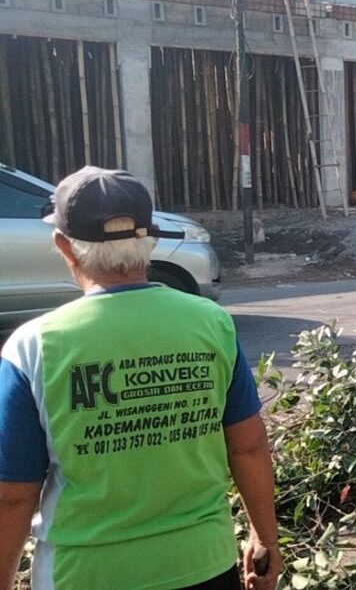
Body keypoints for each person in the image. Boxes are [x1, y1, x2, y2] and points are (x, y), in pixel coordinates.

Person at [0, 167, 281, 590]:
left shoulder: (32, 347)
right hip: (204, 565)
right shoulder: (211, 324)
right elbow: (248, 446)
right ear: (149, 241)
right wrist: (265, 539)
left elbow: (14, 495)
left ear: (64, 246)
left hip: (85, 575)